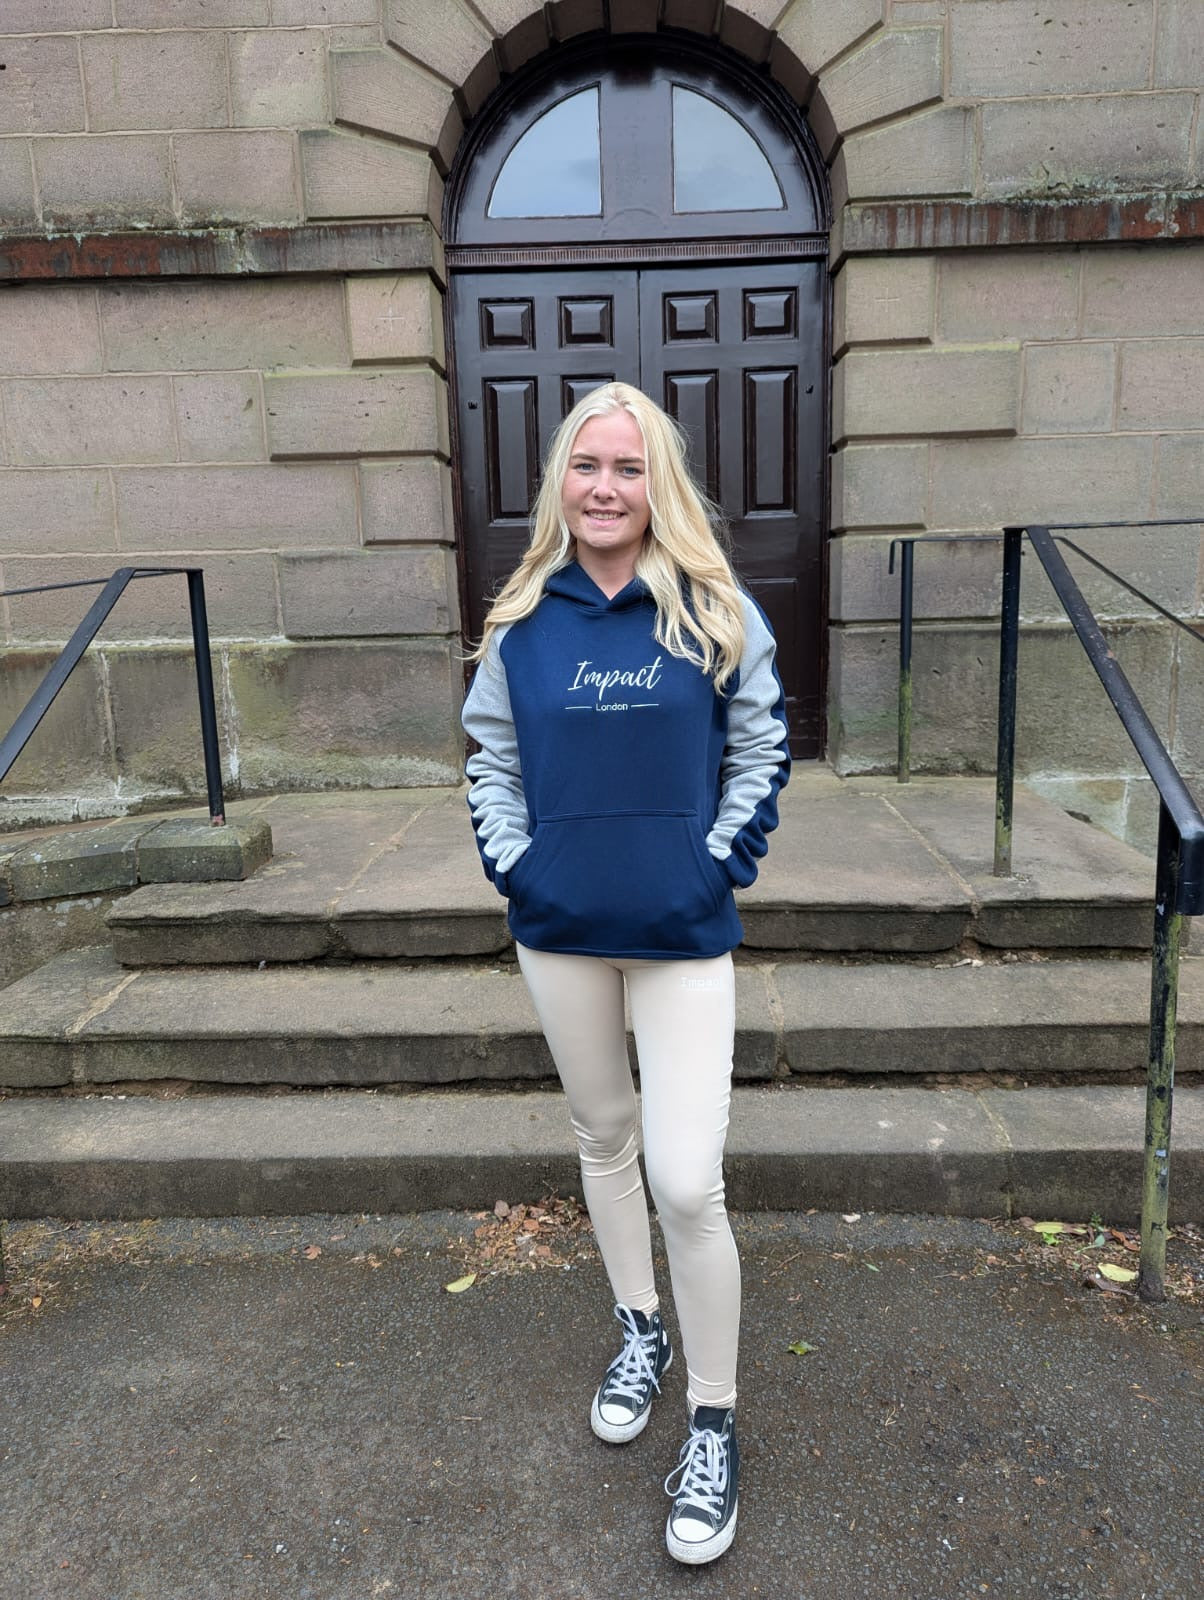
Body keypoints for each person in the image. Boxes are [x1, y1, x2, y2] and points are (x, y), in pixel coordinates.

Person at [460, 381, 789, 1565]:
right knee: (603, 1137)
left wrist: (715, 867)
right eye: (587, 466)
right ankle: (637, 1326)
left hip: (681, 934)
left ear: (662, 481)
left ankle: (712, 1416)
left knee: (688, 1181)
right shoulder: (522, 622)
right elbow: (489, 756)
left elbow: (761, 743)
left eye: (629, 466)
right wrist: (517, 866)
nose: (605, 487)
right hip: (559, 931)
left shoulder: (711, 608)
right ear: (562, 480)